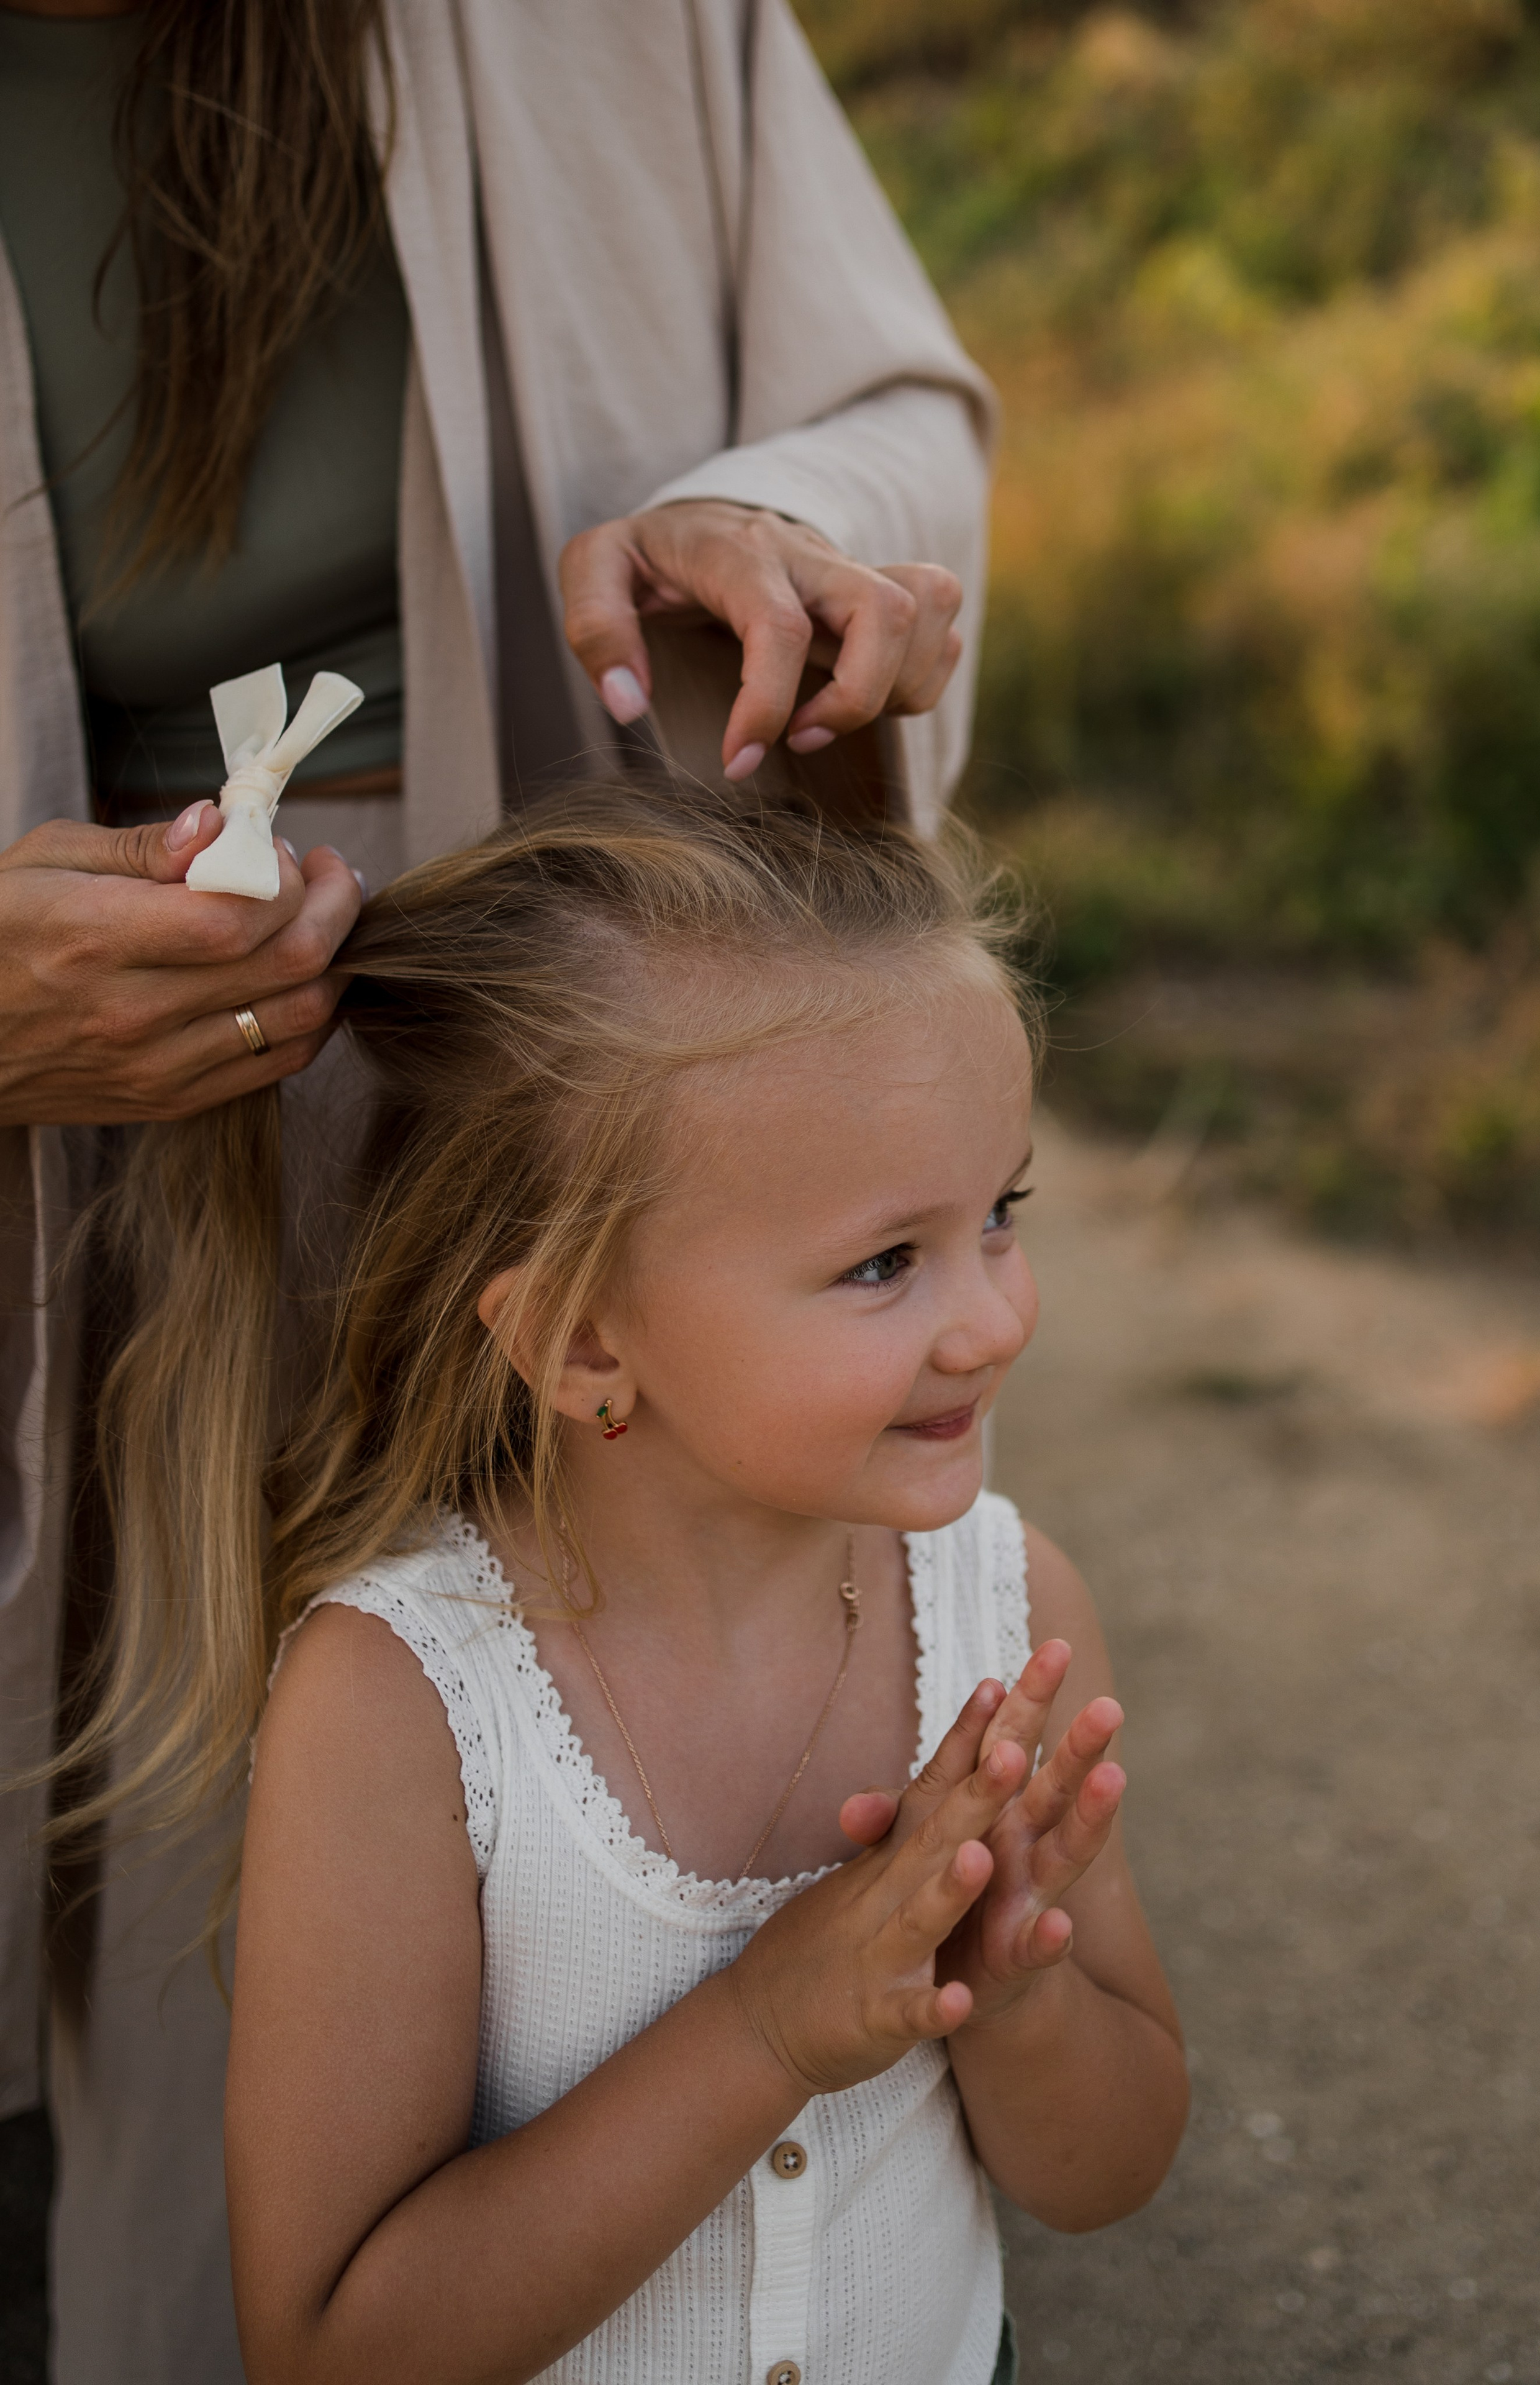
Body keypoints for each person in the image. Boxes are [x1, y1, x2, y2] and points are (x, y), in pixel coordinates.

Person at [0, 3, 990, 2374]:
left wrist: (787, 523)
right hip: (102, 1195)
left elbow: (893, 412)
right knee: (200, 1899)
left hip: (595, 1096)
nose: (995, 1314)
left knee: (649, 1799)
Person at [99, 785, 1188, 2384]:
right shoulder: (406, 1700)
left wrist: (1017, 2005)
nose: (992, 1322)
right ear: (581, 1343)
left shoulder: (1006, 1616)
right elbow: (329, 2349)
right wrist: (766, 2029)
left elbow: (1111, 2173)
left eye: (998, 1218)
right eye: (885, 1262)